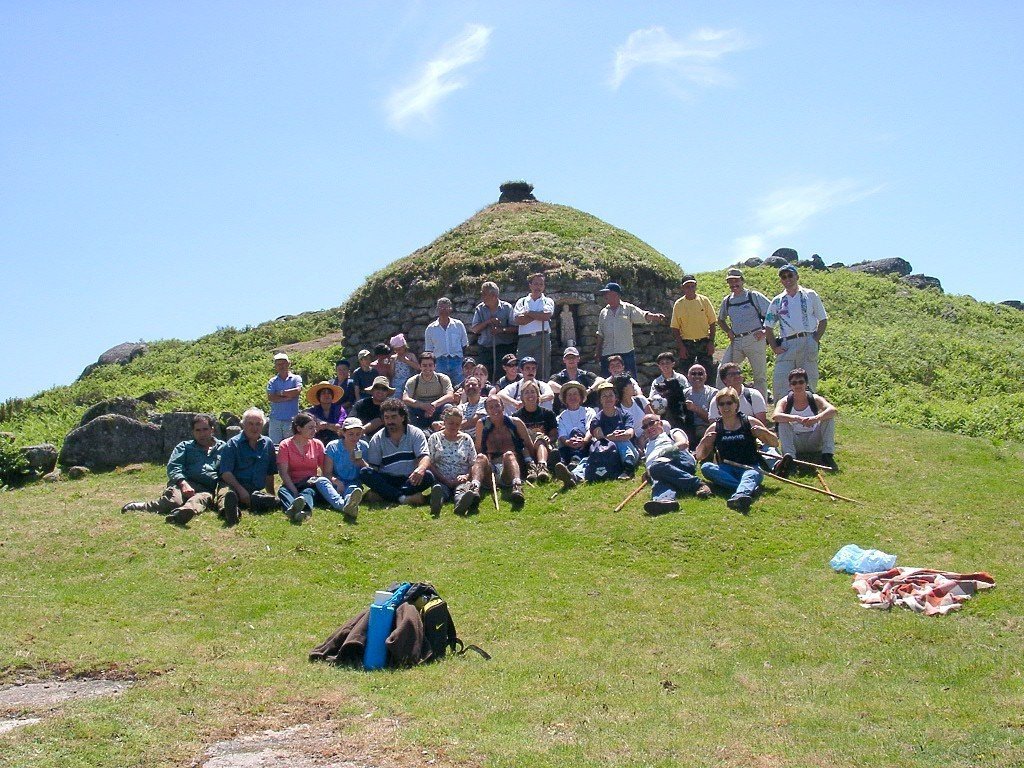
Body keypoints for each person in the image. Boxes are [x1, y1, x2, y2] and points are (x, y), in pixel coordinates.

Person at [121, 414, 225, 526]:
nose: (202, 434)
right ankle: (141, 506)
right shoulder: (184, 447)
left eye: (205, 429)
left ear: (212, 430)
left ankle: (181, 514)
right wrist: (183, 484)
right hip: (183, 484)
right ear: (193, 432)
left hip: (206, 488)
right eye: (198, 430)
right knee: (172, 502)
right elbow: (174, 466)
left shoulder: (223, 448)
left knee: (198, 500)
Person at [695, 388, 781, 512]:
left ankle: (739, 496)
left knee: (752, 474)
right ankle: (748, 489)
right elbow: (699, 456)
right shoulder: (715, 427)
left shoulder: (749, 422)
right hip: (726, 468)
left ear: (736, 404)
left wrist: (764, 432)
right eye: (721, 404)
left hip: (750, 467)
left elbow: (775, 443)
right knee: (706, 467)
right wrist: (704, 442)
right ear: (718, 407)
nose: (726, 407)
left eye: (729, 403)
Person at [764, 264, 828, 399]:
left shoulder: (810, 295)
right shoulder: (777, 301)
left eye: (790, 275)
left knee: (809, 382)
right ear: (781, 280)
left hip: (808, 341)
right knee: (780, 382)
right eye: (783, 277)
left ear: (797, 276)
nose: (787, 279)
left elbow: (823, 320)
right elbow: (768, 326)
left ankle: (810, 416)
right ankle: (781, 417)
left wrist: (814, 339)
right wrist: (775, 346)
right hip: (787, 344)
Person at [359, 398, 434, 506]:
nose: (390, 421)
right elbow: (374, 468)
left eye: (394, 417)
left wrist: (421, 469)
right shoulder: (377, 438)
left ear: (403, 417)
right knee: (365, 472)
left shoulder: (415, 433)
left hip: (410, 478)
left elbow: (424, 457)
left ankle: (385, 495)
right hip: (388, 478)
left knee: (428, 476)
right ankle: (405, 498)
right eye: (386, 417)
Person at [639, 414, 713, 515]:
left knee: (656, 468)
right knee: (659, 479)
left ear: (660, 423)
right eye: (645, 427)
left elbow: (683, 443)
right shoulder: (647, 446)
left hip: (679, 459)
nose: (649, 427)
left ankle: (697, 484)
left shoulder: (671, 432)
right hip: (661, 469)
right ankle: (665, 502)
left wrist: (662, 455)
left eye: (651, 423)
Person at [277, 412, 343, 522]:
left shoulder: (317, 444)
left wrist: (335, 481)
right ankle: (293, 508)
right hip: (293, 482)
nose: (315, 431)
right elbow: (283, 473)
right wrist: (294, 491)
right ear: (299, 428)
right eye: (310, 427)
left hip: (310, 482)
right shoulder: (285, 445)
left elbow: (325, 470)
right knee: (283, 491)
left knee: (308, 491)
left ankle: (303, 508)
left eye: (315, 427)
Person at [217, 407, 281, 519]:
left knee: (266, 500)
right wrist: (241, 490)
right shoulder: (233, 444)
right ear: (243, 425)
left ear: (263, 425)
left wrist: (271, 495)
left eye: (258, 424)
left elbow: (269, 473)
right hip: (233, 485)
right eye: (250, 424)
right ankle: (230, 512)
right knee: (228, 495)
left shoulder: (268, 443)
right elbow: (226, 473)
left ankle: (255, 503)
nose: (254, 428)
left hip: (254, 490)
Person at [717, 268, 771, 399]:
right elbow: (720, 319)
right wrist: (728, 331)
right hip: (737, 341)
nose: (734, 284)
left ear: (742, 281)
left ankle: (761, 409)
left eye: (736, 280)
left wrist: (764, 331)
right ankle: (722, 402)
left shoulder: (753, 296)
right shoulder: (727, 300)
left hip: (755, 339)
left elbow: (773, 313)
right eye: (730, 281)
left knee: (759, 376)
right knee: (722, 371)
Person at [593, 281, 665, 377]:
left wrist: (654, 316)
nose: (605, 296)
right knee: (608, 383)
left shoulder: (628, 308)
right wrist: (597, 352)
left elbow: (642, 315)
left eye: (607, 293)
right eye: (605, 294)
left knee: (629, 381)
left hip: (626, 353)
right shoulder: (603, 312)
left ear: (616, 295)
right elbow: (600, 333)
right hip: (608, 353)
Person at [771, 368, 838, 468]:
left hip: (814, 440)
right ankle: (789, 458)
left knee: (828, 418)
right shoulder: (784, 401)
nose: (798, 385)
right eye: (794, 383)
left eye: (801, 382)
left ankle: (827, 455)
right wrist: (796, 418)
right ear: (790, 386)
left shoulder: (815, 398)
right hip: (795, 442)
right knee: (783, 422)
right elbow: (775, 416)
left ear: (806, 384)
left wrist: (815, 419)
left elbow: (833, 410)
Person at [427, 404, 484, 515]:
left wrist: (466, 476)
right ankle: (437, 502)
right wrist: (444, 480)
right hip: (441, 477)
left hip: (460, 478)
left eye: (457, 424)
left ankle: (460, 504)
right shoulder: (435, 438)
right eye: (451, 423)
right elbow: (430, 462)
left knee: (461, 490)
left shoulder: (466, 439)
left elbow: (473, 462)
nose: (454, 426)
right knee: (441, 489)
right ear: (444, 422)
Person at [476, 395, 530, 506]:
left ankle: (517, 486)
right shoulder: (482, 425)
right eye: (491, 407)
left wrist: (530, 462)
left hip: (510, 468)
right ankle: (474, 488)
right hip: (491, 468)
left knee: (509, 455)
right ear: (486, 411)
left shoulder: (515, 423)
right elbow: (479, 449)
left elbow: (528, 445)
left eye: (497, 406)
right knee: (480, 457)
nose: (495, 410)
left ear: (503, 407)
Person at [589, 381, 640, 478]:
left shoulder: (626, 414)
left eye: (610, 395)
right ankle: (575, 474)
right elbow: (600, 439)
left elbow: (630, 433)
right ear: (600, 400)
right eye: (604, 396)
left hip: (630, 450)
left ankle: (628, 466)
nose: (608, 398)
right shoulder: (596, 420)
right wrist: (611, 437)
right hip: (607, 452)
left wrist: (622, 435)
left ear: (615, 398)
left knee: (622, 441)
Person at [670, 275, 717, 377]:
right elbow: (675, 327)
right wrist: (681, 347)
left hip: (704, 342)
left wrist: (711, 342)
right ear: (682, 288)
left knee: (708, 372)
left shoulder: (704, 301)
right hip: (687, 344)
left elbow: (712, 322)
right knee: (685, 372)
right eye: (687, 286)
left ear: (696, 286)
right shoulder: (679, 304)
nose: (690, 288)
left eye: (692, 286)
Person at [470, 281, 517, 381]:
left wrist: (501, 330)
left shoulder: (507, 308)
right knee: (483, 375)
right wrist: (488, 322)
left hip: (503, 348)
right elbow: (475, 329)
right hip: (485, 349)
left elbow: (516, 328)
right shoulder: (480, 309)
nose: (482, 296)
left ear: (493, 295)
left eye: (484, 294)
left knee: (502, 376)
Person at [322, 417, 368, 519]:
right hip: (335, 482)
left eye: (358, 434)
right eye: (351, 434)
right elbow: (327, 473)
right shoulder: (333, 446)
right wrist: (337, 482)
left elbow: (369, 471)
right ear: (343, 433)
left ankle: (346, 503)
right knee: (321, 481)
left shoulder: (363, 446)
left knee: (353, 489)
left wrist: (361, 461)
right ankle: (346, 505)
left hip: (354, 482)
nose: (355, 437)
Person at [551, 381, 594, 489]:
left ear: (580, 397)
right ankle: (560, 464)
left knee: (576, 431)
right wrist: (568, 442)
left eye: (575, 394)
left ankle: (571, 463)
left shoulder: (588, 411)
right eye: (569, 395)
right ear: (565, 399)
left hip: (586, 445)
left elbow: (591, 429)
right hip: (568, 446)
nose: (572, 397)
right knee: (563, 446)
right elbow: (562, 435)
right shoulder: (561, 416)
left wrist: (584, 440)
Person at [512, 379, 557, 482]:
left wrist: (548, 438)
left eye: (532, 392)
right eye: (526, 392)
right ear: (522, 397)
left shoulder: (548, 414)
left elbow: (554, 435)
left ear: (538, 395)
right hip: (526, 449)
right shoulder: (516, 417)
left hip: (544, 447)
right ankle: (530, 467)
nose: (530, 395)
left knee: (540, 439)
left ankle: (542, 467)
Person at [513, 273, 555, 381]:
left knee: (542, 368)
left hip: (542, 338)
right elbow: (518, 320)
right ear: (530, 285)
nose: (538, 287)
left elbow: (546, 316)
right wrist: (538, 315)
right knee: (522, 367)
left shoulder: (548, 301)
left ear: (544, 286)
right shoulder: (521, 301)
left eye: (541, 284)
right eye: (535, 284)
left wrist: (528, 313)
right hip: (524, 339)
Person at [423, 297, 469, 385]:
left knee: (460, 387)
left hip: (457, 361)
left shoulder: (458, 325)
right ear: (437, 309)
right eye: (441, 308)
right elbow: (429, 351)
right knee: (441, 388)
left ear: (450, 309)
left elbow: (464, 345)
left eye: (446, 308)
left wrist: (462, 361)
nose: (443, 310)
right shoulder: (430, 329)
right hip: (439, 362)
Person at [403, 352, 454, 429]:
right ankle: (412, 431)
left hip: (437, 409)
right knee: (406, 409)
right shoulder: (413, 380)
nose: (427, 368)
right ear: (420, 366)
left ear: (435, 366)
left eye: (430, 365)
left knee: (448, 407)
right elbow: (405, 399)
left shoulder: (443, 378)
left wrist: (433, 405)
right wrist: (422, 405)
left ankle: (443, 430)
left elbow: (450, 396)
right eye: (424, 365)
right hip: (420, 410)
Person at [266, 352, 303, 445]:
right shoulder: (272, 381)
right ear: (275, 366)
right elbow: (271, 397)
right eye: (278, 364)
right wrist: (287, 397)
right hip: (275, 420)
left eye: (283, 363)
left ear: (288, 364)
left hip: (291, 420)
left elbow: (297, 390)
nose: (281, 366)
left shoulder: (296, 378)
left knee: (292, 447)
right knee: (275, 447)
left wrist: (281, 393)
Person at [549, 346, 598, 414]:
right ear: (564, 360)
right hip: (564, 413)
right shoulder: (558, 377)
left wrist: (589, 391)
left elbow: (600, 380)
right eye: (568, 358)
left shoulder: (585, 375)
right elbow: (550, 384)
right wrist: (565, 391)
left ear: (578, 359)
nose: (571, 360)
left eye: (573, 357)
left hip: (584, 412)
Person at [611, 374, 653, 448]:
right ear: (623, 388)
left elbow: (654, 419)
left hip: (650, 432)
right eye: (630, 383)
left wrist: (644, 436)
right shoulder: (617, 409)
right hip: (632, 441)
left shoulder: (641, 400)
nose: (633, 385)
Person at [681, 364, 718, 446]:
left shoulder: (713, 394)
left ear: (705, 376)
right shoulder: (683, 394)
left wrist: (695, 409)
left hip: (706, 428)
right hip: (687, 428)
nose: (697, 376)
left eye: (700, 374)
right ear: (688, 376)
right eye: (693, 374)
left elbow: (714, 420)